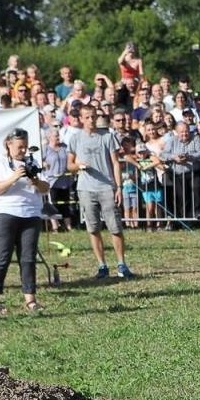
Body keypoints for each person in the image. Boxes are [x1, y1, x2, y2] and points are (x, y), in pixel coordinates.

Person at [0, 129, 49, 316]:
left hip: (30, 214)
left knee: (28, 257)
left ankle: (30, 299)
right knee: (2, 256)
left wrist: (33, 179)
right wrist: (14, 177)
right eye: (20, 147)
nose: (23, 150)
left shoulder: (32, 163)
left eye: (26, 146)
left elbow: (45, 188)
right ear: (8, 145)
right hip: (2, 213)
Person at [67, 104, 131, 278]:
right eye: (87, 117)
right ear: (80, 119)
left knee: (115, 227)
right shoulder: (75, 138)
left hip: (106, 187)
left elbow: (116, 163)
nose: (91, 120)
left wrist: (118, 187)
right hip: (86, 189)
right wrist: (79, 166)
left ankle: (121, 264)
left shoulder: (107, 137)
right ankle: (102, 265)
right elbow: (70, 165)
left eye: (93, 116)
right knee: (93, 228)